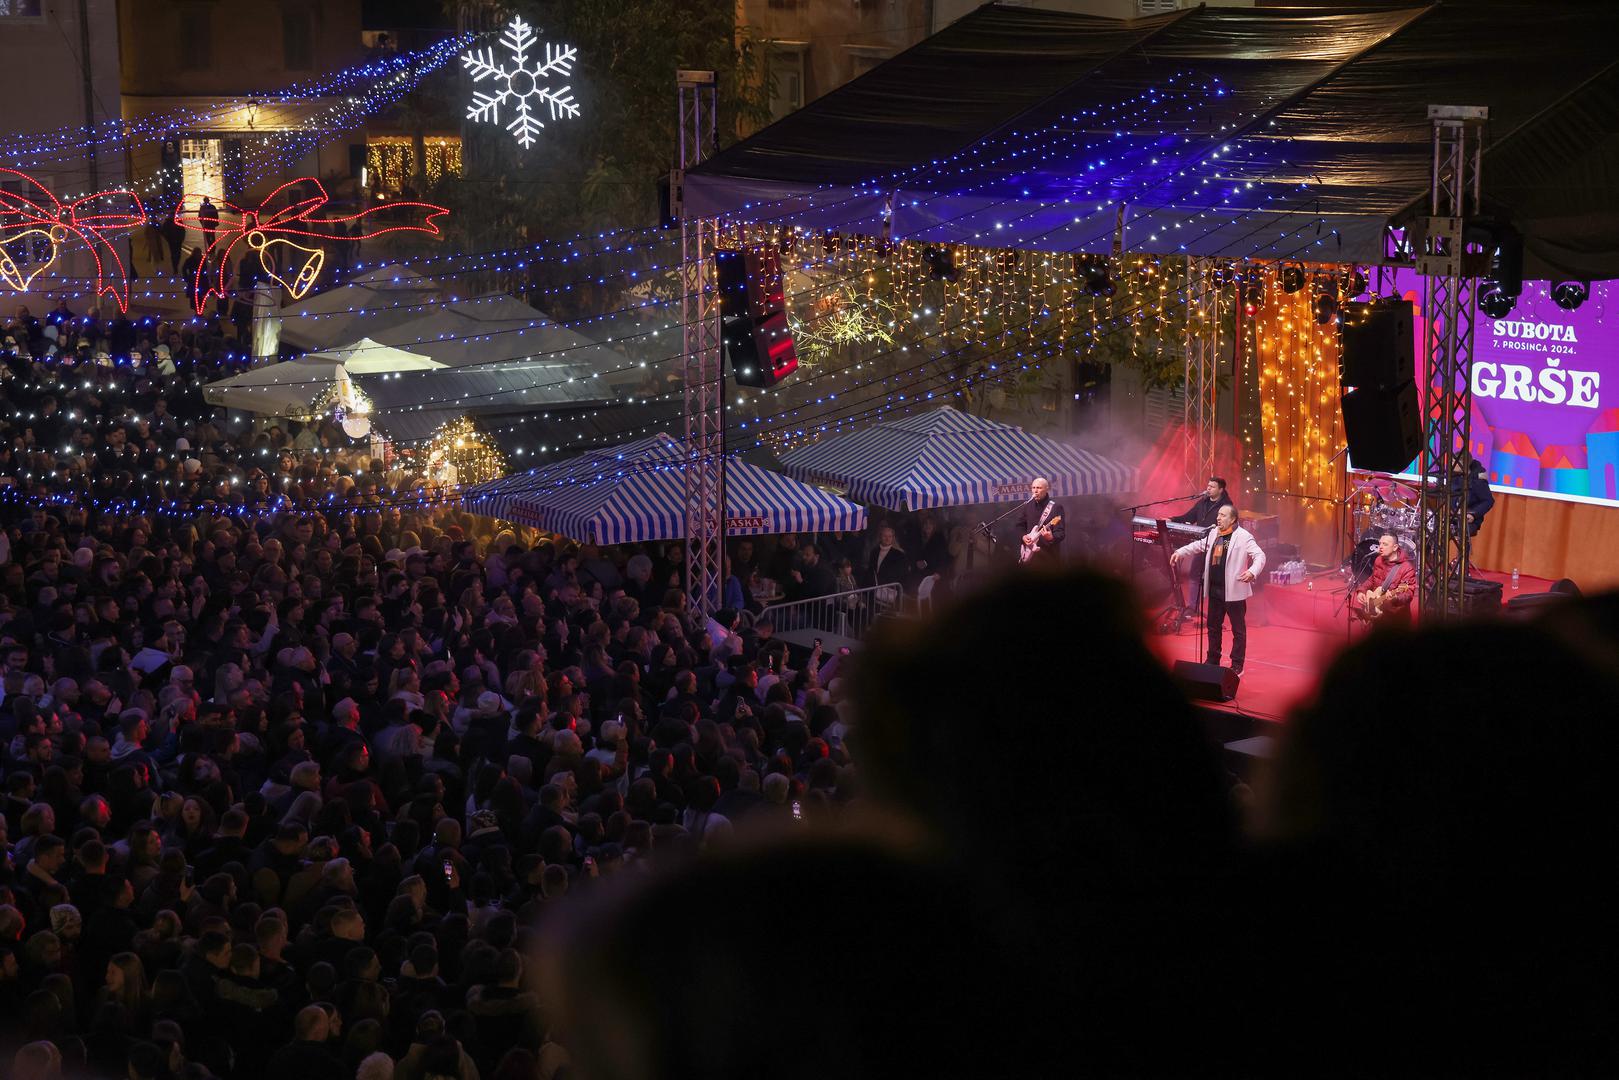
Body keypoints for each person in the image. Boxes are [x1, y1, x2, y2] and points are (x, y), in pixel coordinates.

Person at [1173, 503, 1266, 675]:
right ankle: (1213, 659)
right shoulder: (1214, 533)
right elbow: (1199, 545)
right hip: (1215, 589)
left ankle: (1237, 664)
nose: (1218, 518)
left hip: (1234, 591)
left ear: (1233, 519)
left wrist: (1252, 572)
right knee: (1213, 627)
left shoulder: (1243, 536)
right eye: (1218, 515)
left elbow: (1260, 555)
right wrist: (1180, 552)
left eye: (1223, 515)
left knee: (1238, 630)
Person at [1354, 533, 1415, 622]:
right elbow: (1372, 579)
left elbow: (1408, 593)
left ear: (1395, 547)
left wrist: (1396, 598)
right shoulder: (1378, 560)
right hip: (1378, 613)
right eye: (1380, 543)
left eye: (1385, 544)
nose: (1380, 547)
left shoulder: (1406, 568)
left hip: (1395, 618)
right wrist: (1361, 590)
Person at [1016, 477, 1064, 564]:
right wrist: (1023, 536)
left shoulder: (1056, 507)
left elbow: (1060, 533)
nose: (1035, 491)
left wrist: (1051, 537)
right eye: (1033, 488)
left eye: (1039, 488)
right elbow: (1020, 526)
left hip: (1048, 557)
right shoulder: (1027, 506)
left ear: (1046, 489)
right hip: (1030, 556)